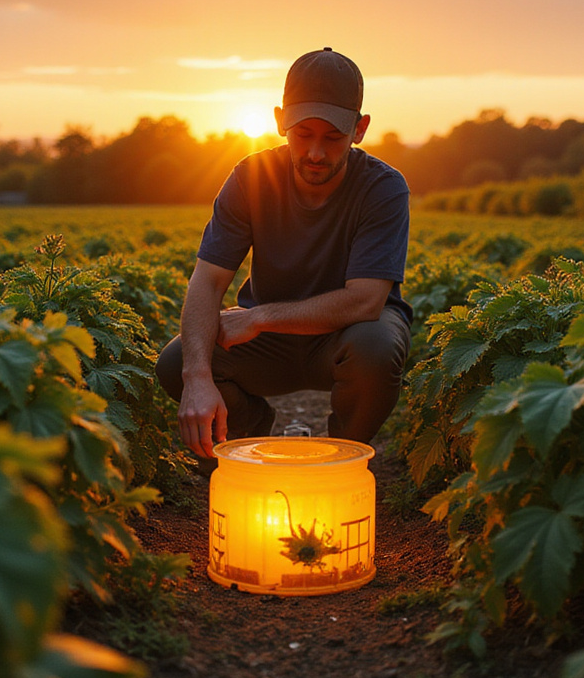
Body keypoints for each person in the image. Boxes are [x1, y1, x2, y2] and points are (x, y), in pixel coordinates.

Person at [155, 47, 412, 471]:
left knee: (377, 347)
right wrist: (196, 376)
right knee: (178, 362)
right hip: (270, 345)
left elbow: (366, 301)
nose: (315, 152)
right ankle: (249, 439)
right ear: (279, 122)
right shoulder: (250, 177)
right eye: (302, 133)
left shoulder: (383, 188)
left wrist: (258, 318)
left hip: (344, 336)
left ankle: (342, 458)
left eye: (332, 137)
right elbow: (207, 281)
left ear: (360, 128)